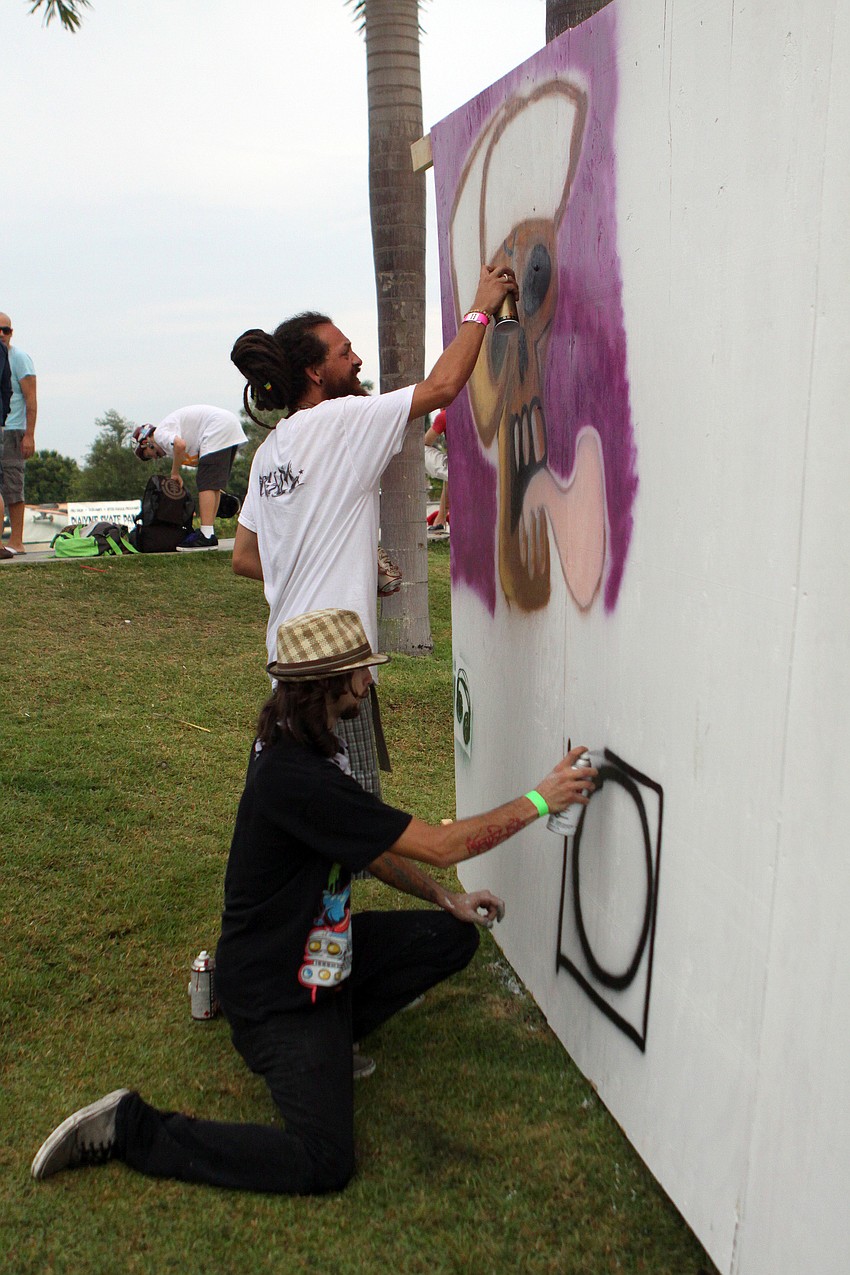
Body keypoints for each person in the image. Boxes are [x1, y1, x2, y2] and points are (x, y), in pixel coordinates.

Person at [30, 606, 596, 1196]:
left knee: (450, 937)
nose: (370, 682)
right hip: (277, 992)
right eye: (362, 673)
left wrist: (440, 898)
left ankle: (333, 1036)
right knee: (324, 1160)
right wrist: (541, 799)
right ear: (333, 684)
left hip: (318, 955)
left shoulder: (307, 747)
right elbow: (443, 844)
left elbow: (368, 846)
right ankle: (130, 1126)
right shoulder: (295, 775)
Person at [229, 263, 517, 794]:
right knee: (347, 821)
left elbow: (244, 557)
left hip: (288, 664)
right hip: (335, 667)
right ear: (316, 373)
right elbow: (443, 385)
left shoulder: (270, 453)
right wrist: (481, 304)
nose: (357, 359)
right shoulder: (342, 422)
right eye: (344, 353)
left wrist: (340, 561)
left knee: (300, 803)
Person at [132, 405, 247, 550]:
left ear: (146, 442)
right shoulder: (170, 431)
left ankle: (206, 536)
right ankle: (208, 532)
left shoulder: (160, 434)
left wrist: (175, 473)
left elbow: (180, 445)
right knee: (212, 484)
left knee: (205, 483)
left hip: (217, 427)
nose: (155, 458)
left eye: (149, 454)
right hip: (229, 426)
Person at [0, 312, 37, 556]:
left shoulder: (20, 358)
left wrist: (29, 435)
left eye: (6, 330)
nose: (2, 334)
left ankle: (17, 540)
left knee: (13, 486)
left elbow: (31, 397)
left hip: (13, 430)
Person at [424, 408, 449, 539]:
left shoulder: (445, 416)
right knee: (450, 476)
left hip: (461, 466)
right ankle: (440, 519)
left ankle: (440, 518)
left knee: (420, 450)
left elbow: (425, 442)